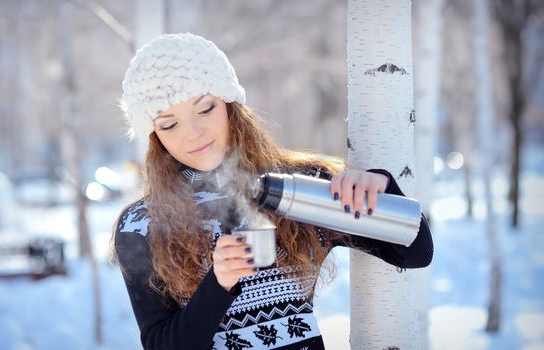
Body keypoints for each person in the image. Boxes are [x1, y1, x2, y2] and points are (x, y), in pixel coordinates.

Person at [111, 32, 433, 350]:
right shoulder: (142, 223)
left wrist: (380, 187)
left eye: (205, 109)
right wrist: (218, 284)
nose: (194, 133)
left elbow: (414, 253)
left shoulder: (300, 186)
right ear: (155, 135)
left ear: (229, 104)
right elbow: (161, 345)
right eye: (169, 124)